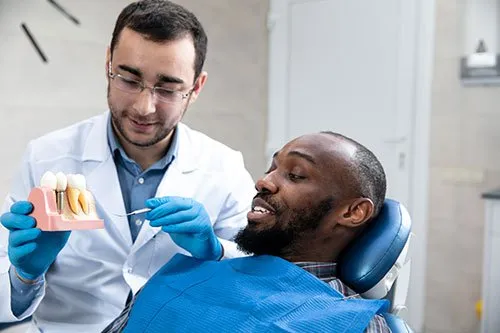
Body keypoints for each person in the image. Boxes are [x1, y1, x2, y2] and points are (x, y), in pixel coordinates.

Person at [0, 1, 255, 332]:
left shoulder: (224, 168)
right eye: (129, 79)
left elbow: (255, 283)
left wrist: (216, 250)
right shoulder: (47, 156)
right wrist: (25, 274)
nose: (144, 107)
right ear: (108, 63)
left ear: (196, 89)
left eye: (167, 89)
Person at [102, 131, 392, 333]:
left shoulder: (354, 324)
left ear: (353, 213)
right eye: (271, 168)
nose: (263, 181)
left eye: (295, 175)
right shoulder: (179, 278)